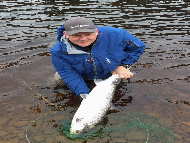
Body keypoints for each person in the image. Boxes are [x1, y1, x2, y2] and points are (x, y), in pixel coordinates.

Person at [50, 17, 146, 100]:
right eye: (76, 35)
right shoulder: (57, 51)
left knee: (116, 86)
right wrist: (84, 95)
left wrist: (124, 65)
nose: (83, 39)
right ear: (66, 34)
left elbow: (138, 47)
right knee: (57, 81)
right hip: (80, 73)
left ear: (96, 31)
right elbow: (69, 74)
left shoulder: (117, 34)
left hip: (112, 70)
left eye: (88, 34)